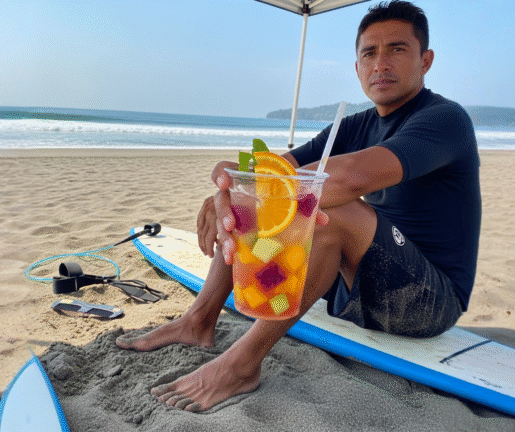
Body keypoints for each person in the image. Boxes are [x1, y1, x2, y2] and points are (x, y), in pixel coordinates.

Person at [116, 0, 481, 412]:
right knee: (257, 197)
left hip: (426, 301)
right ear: (357, 66)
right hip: (355, 287)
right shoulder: (354, 125)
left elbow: (348, 178)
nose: (380, 63)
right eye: (369, 53)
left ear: (425, 60)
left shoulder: (444, 120)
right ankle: (199, 320)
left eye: (397, 49)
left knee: (324, 207)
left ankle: (241, 365)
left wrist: (249, 191)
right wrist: (226, 189)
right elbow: (266, 170)